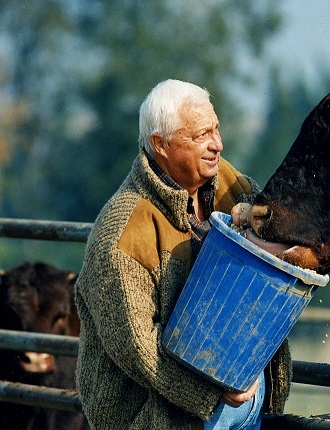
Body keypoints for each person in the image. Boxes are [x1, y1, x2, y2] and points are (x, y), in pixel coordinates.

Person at [74, 79, 291, 430]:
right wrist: (212, 389)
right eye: (200, 136)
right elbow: (138, 348)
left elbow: (284, 234)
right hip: (157, 414)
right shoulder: (123, 231)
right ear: (161, 145)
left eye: (216, 129)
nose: (217, 145)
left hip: (245, 396)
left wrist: (255, 216)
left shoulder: (233, 187)